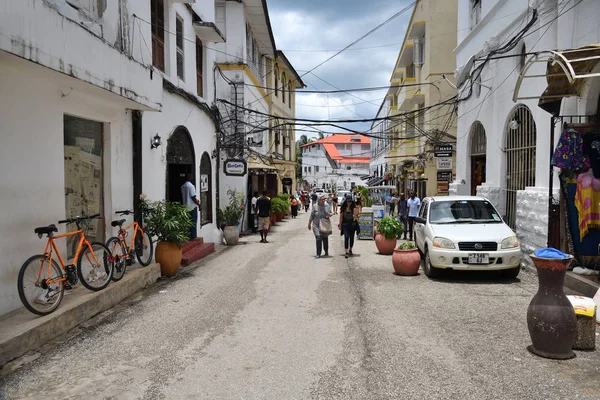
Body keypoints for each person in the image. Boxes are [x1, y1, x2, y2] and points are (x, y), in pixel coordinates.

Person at [308, 194, 332, 259]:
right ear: (318, 200)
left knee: (325, 238)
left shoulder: (326, 205)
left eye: (324, 199)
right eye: (322, 199)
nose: (323, 200)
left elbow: (330, 213)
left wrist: (329, 214)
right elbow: (312, 215)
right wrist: (309, 223)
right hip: (316, 225)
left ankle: (326, 250)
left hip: (324, 225)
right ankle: (318, 253)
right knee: (318, 238)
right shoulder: (315, 206)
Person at [181, 174, 201, 240]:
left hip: (185, 207)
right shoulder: (191, 186)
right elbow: (193, 197)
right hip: (192, 207)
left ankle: (188, 235)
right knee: (193, 222)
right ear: (190, 178)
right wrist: (199, 204)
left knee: (188, 222)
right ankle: (193, 236)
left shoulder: (183, 186)